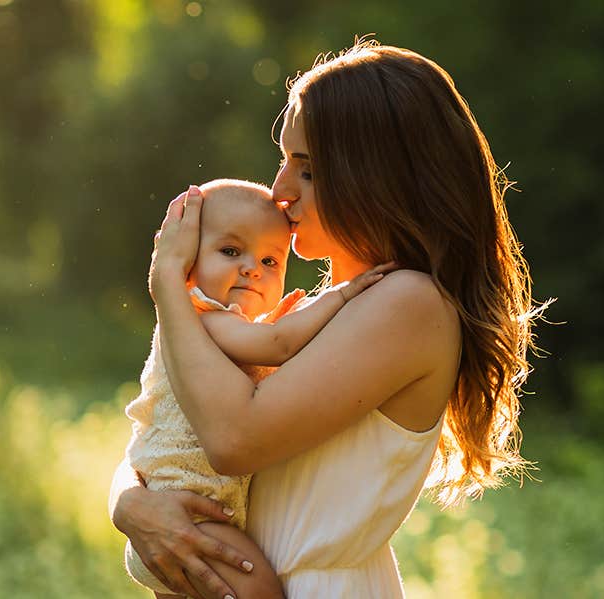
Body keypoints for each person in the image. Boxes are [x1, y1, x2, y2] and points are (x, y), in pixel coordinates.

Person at [111, 39, 545, 599]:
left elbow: (233, 438)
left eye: (309, 170)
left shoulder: (408, 305)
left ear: (378, 176)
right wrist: (131, 503)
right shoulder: (313, 309)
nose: (280, 191)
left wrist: (168, 284)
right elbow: (171, 430)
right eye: (285, 160)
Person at [121, 179, 389, 598]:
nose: (252, 269)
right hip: (188, 516)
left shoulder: (217, 326)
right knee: (261, 589)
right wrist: (340, 296)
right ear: (187, 260)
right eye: (231, 252)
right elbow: (279, 345)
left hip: (179, 511)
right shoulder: (203, 316)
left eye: (270, 261)